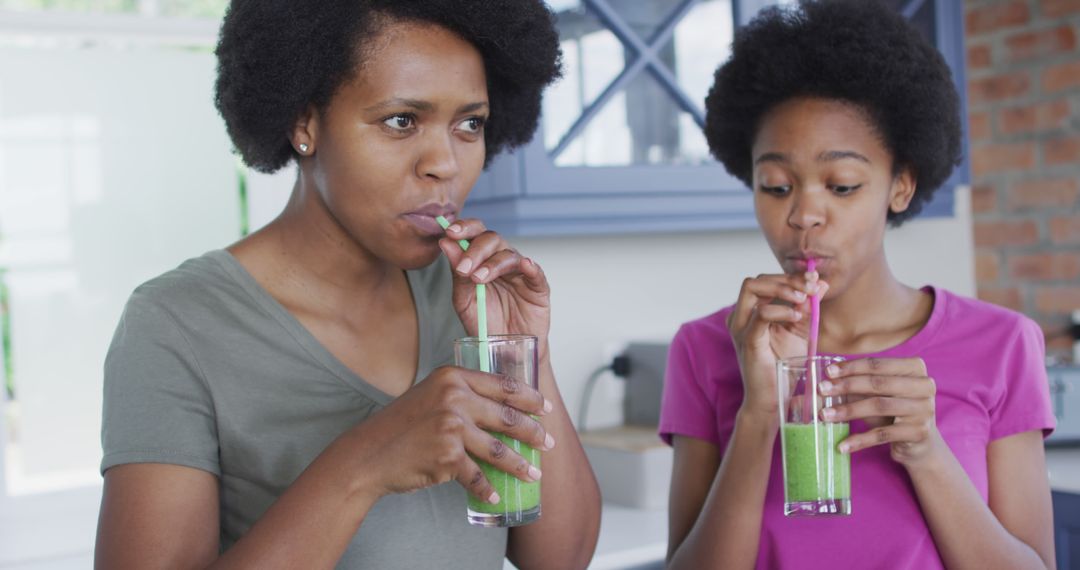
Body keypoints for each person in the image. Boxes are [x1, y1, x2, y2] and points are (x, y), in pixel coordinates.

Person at [94, 1, 601, 568]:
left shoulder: (468, 297)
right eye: (402, 120)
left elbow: (562, 559)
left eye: (469, 124)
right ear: (304, 123)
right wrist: (366, 463)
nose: (445, 163)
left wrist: (525, 352)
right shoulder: (177, 324)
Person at [659, 1, 1056, 568]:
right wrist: (759, 414)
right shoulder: (703, 350)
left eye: (841, 185)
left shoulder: (1004, 343)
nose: (803, 216)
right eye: (775, 186)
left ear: (900, 186)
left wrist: (926, 452)